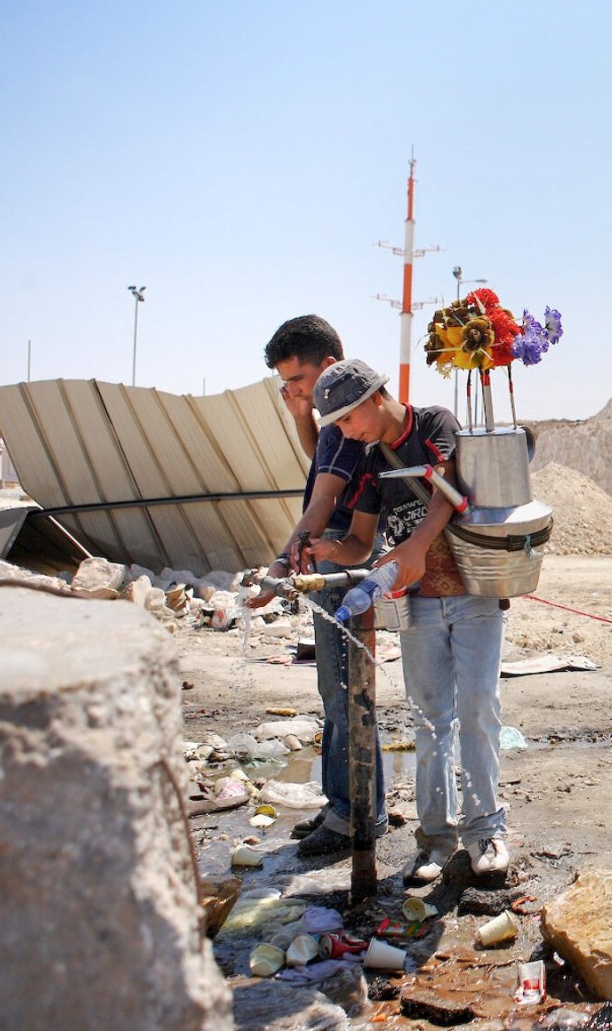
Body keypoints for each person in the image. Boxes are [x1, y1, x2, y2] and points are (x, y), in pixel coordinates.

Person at [306, 358, 511, 885]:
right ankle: (435, 840)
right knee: (430, 720)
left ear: (375, 398)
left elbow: (447, 491)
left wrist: (415, 548)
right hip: (417, 603)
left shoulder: (435, 423)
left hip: (472, 592)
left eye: (347, 419)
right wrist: (331, 549)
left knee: (478, 709)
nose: (345, 432)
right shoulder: (371, 461)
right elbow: (361, 540)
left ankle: (486, 831)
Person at [252, 317, 387, 856]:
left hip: (341, 556)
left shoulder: (345, 420)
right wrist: (300, 415)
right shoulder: (334, 420)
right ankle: (346, 804)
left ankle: (355, 814)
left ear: (329, 366)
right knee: (338, 689)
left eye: (299, 380)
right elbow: (321, 468)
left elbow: (323, 502)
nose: (294, 390)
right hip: (331, 553)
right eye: (286, 384)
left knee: (346, 690)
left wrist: (280, 567)